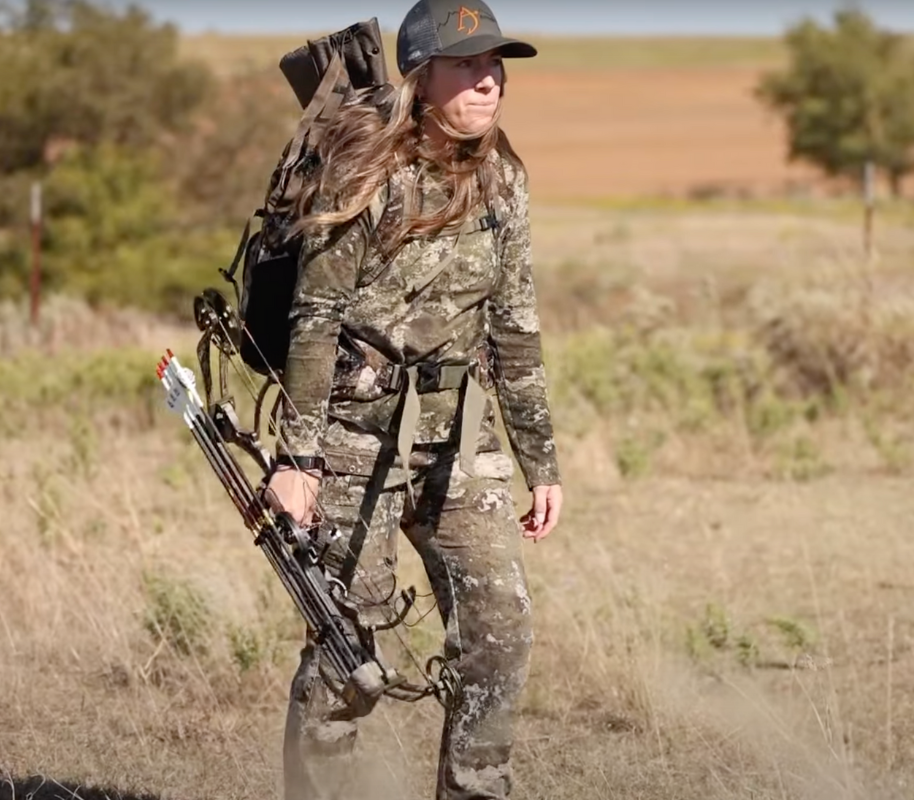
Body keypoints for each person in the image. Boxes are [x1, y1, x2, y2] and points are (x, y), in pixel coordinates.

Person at [264, 1, 564, 797]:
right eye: (468, 64)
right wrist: (299, 460)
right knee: (346, 656)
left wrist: (542, 463)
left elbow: (516, 325)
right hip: (352, 439)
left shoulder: (504, 176)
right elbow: (315, 319)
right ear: (422, 74)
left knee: (500, 635)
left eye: (496, 63)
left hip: (462, 441)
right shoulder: (366, 169)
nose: (489, 79)